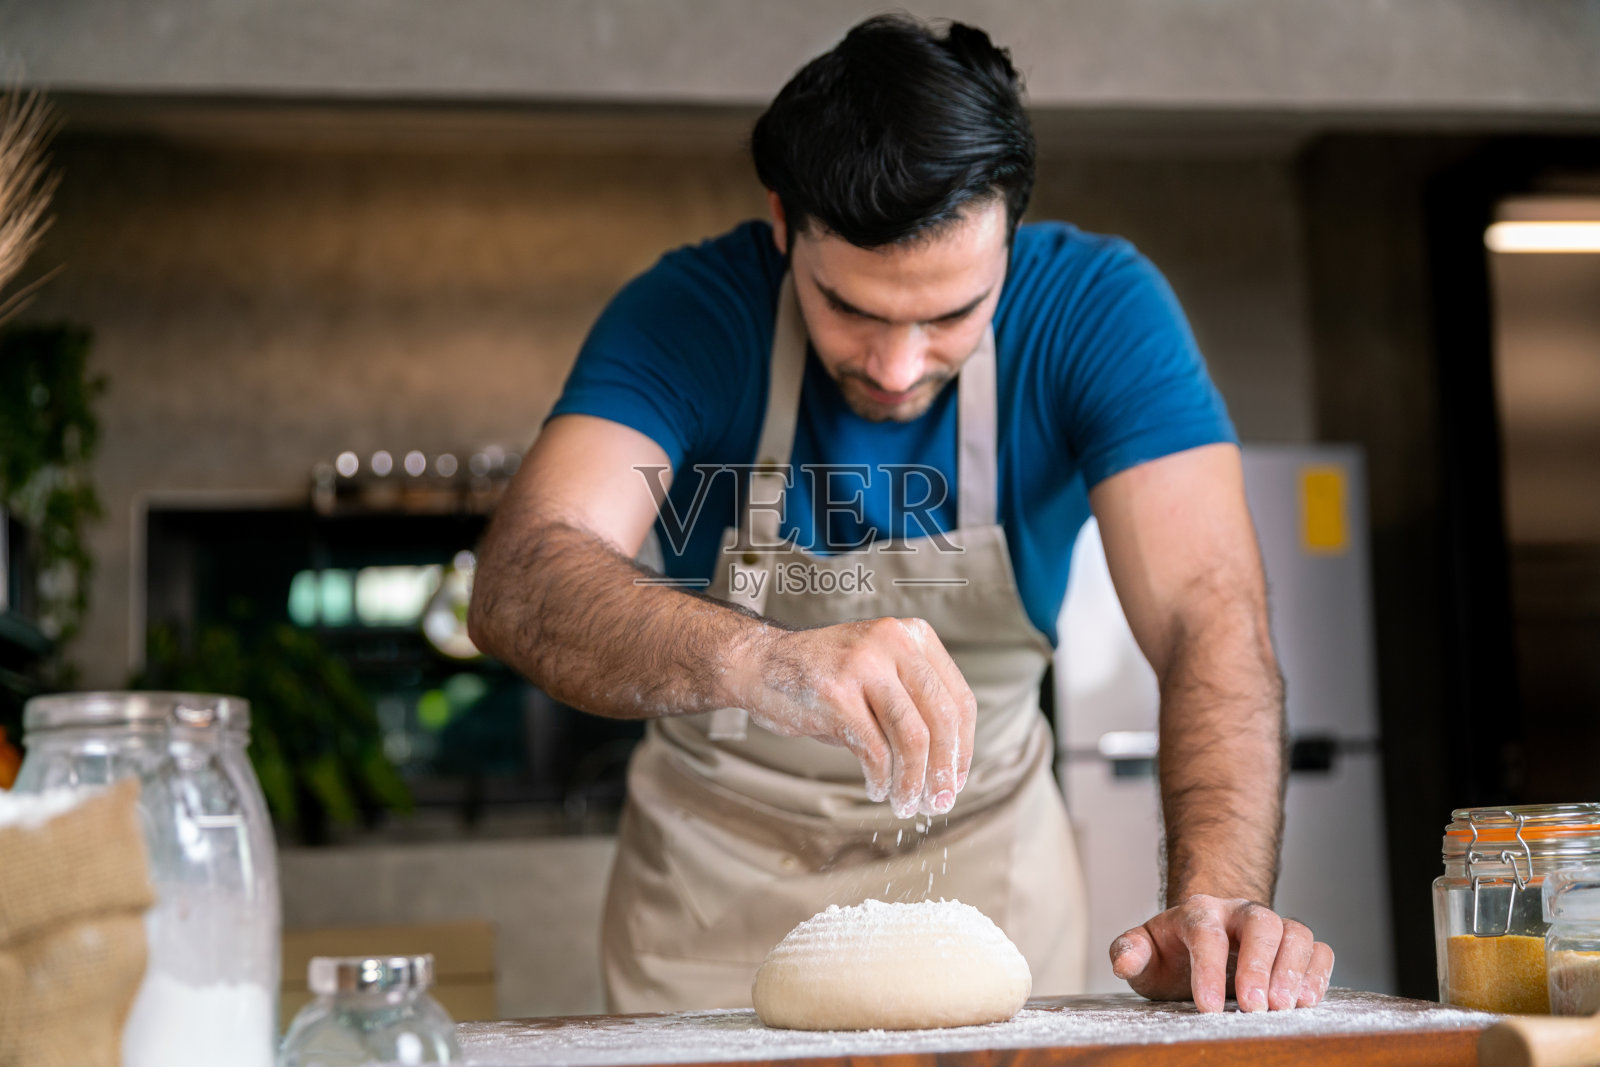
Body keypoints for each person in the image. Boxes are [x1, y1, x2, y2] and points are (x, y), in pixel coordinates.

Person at [468, 13, 1333, 1016]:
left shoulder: (1096, 310)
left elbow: (1206, 615)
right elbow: (524, 573)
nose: (895, 366)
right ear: (784, 221)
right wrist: (767, 661)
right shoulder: (690, 313)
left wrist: (1215, 898)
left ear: (1009, 235)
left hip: (991, 897)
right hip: (710, 911)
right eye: (855, 310)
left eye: (950, 315)